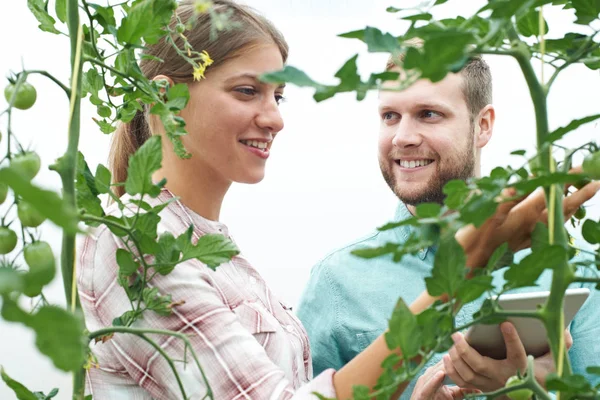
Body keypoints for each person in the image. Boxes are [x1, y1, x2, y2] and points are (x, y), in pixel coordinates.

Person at [76, 2, 598, 399]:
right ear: (165, 98)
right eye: (246, 91)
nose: (275, 117)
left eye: (277, 96)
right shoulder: (138, 243)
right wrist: (463, 266)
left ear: (484, 126)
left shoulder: (218, 254)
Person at [296, 50, 600, 399]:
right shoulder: (337, 282)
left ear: (482, 125)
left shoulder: (576, 268)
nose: (402, 137)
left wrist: (541, 390)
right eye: (390, 116)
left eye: (428, 114)